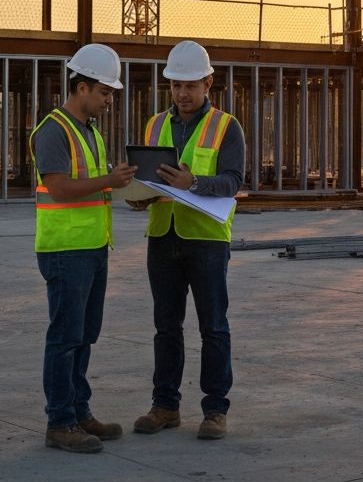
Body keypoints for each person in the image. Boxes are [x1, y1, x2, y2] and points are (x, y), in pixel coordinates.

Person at [131, 41, 246, 442]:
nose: (182, 93)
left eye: (191, 85)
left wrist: (193, 182)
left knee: (213, 327)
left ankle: (215, 409)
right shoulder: (153, 125)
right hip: (162, 236)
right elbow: (147, 179)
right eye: (177, 84)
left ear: (209, 83)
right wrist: (136, 196)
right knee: (166, 326)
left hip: (207, 240)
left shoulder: (226, 126)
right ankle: (165, 406)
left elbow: (233, 180)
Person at [29, 43, 137, 454]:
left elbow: (94, 188)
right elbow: (58, 189)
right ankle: (60, 422)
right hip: (65, 250)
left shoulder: (89, 132)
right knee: (65, 337)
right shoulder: (53, 130)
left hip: (92, 248)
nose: (110, 100)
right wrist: (109, 181)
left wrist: (123, 186)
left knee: (84, 335)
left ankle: (78, 410)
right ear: (82, 87)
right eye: (105, 92)